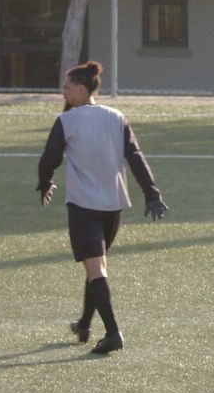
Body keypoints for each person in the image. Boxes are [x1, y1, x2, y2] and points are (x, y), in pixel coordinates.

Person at [36, 61, 167, 355]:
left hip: (84, 206)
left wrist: (45, 182)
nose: (64, 92)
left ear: (82, 89)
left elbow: (49, 159)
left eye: (67, 87)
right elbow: (135, 157)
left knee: (95, 267)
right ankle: (84, 324)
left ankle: (113, 333)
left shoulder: (67, 121)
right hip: (113, 206)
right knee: (97, 266)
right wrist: (152, 194)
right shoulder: (116, 116)